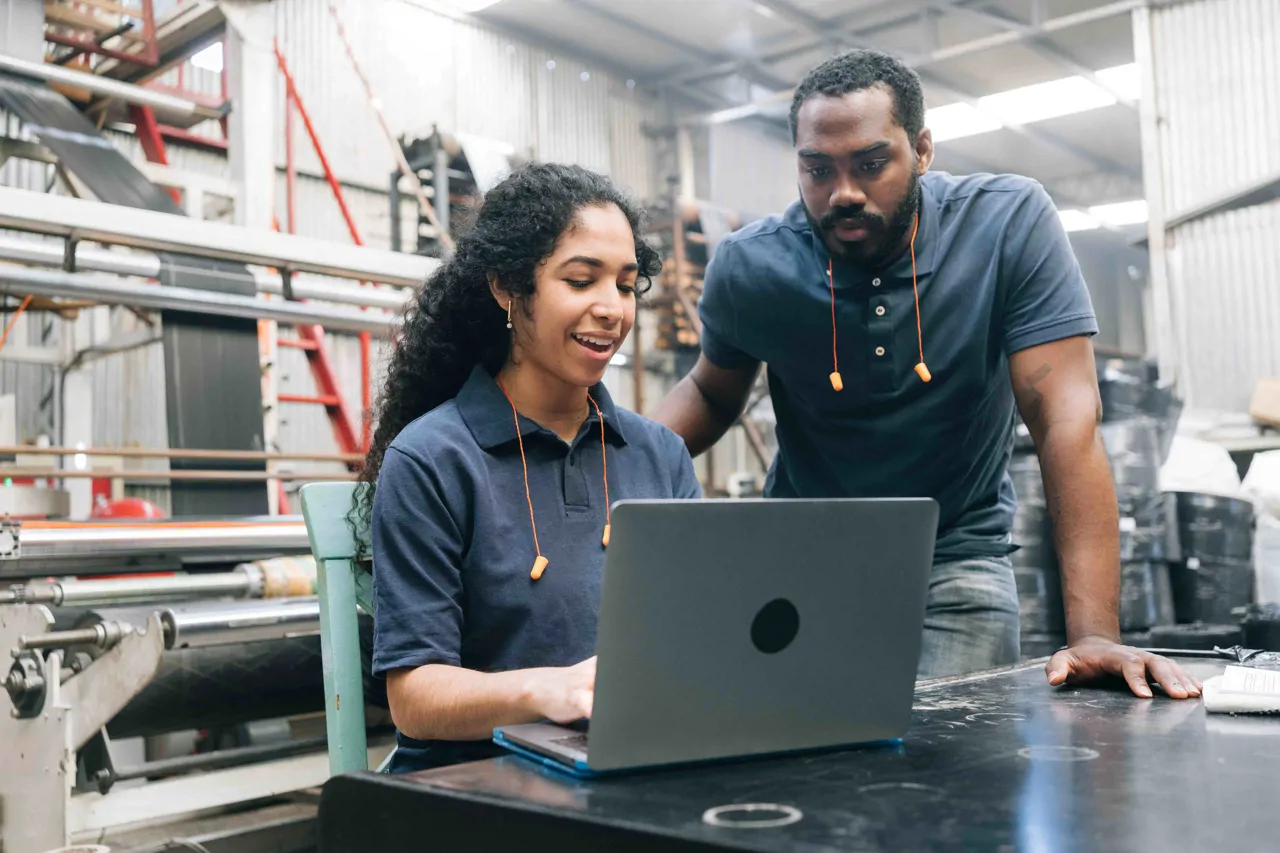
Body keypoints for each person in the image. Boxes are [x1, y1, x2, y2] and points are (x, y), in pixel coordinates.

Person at [653, 50, 1201, 700]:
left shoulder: (1005, 225)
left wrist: (1094, 634)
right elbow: (712, 393)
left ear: (922, 150)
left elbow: (1066, 421)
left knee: (953, 783)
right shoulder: (753, 266)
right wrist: (611, 456)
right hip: (802, 562)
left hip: (957, 559)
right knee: (806, 780)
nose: (844, 192)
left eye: (871, 163)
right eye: (817, 169)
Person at [358, 163, 701, 772]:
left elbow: (695, 635)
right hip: (482, 782)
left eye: (624, 285)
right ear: (507, 288)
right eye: (580, 280)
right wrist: (546, 691)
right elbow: (414, 700)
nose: (611, 309)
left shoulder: (659, 456)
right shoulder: (433, 459)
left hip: (630, 762)